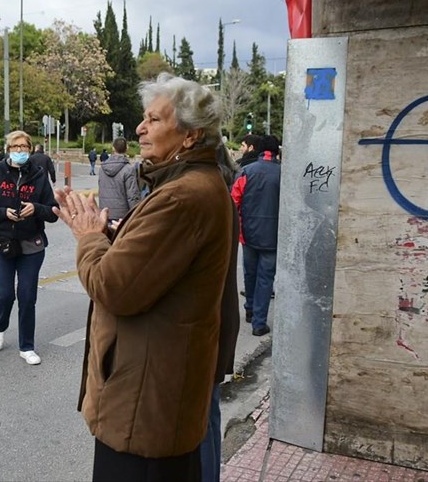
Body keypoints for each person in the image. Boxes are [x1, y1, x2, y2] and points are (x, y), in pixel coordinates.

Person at [52, 73, 233, 480]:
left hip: (145, 410)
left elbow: (112, 287)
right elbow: (161, 264)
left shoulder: (183, 196)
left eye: (153, 119)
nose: (140, 128)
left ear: (190, 136)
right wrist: (117, 236)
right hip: (156, 400)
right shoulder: (190, 186)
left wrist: (89, 238)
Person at [0, 130, 58, 366]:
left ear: (30, 149)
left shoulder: (39, 175)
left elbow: (53, 211)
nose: (20, 151)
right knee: (5, 295)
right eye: (15, 146)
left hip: (31, 244)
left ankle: (27, 346)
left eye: (24, 147)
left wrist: (36, 208)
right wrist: (2, 213)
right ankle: (0, 326)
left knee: (27, 296)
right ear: (8, 149)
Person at [200, 142, 242, 482]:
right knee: (208, 417)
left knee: (199, 423)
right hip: (216, 326)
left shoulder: (205, 202)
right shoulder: (224, 201)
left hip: (202, 331)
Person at [231, 134, 281, 335]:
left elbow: (234, 201)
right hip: (273, 236)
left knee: (249, 274)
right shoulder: (284, 174)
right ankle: (259, 323)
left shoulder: (246, 171)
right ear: (276, 152)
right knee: (265, 279)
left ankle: (249, 309)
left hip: (248, 234)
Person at [97, 137, 139, 224]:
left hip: (105, 213)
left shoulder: (102, 168)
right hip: (123, 215)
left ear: (113, 148)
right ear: (127, 148)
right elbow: (132, 195)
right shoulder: (129, 169)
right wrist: (136, 214)